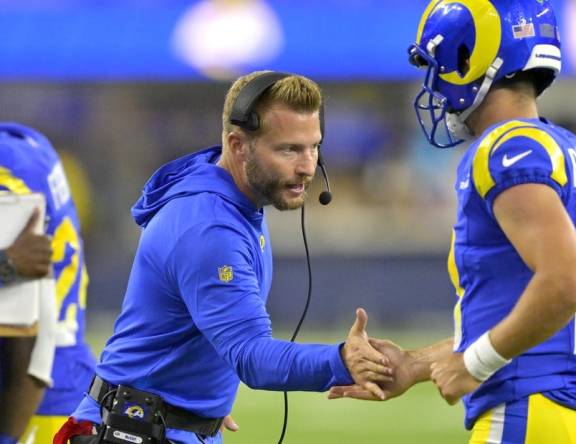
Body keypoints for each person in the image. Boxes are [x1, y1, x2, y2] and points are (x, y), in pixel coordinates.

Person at [329, 1, 576, 442]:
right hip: (575, 419)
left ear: (470, 58)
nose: (436, 83)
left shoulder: (503, 149)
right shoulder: (563, 145)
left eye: (439, 65)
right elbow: (525, 323)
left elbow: (565, 281)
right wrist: (417, 364)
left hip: (527, 417)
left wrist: (473, 363)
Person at [57, 71, 393, 444]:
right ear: (237, 145)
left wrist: (203, 396)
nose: (308, 166)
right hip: (130, 431)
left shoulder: (240, 199)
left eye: (314, 147)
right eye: (288, 149)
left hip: (166, 425)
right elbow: (251, 355)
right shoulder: (210, 228)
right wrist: (342, 360)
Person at [0, 122, 96, 444]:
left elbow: (25, 336)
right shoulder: (25, 142)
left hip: (30, 405)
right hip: (68, 382)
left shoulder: (7, 178)